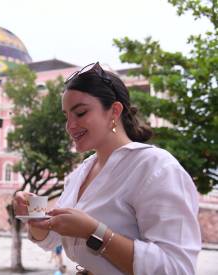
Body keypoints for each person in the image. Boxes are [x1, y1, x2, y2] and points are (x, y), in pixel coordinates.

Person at [14, 62, 201, 275]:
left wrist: (94, 232)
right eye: (67, 116)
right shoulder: (81, 172)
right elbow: (52, 240)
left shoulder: (155, 167)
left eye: (81, 113)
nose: (70, 125)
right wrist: (36, 220)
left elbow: (178, 268)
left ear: (114, 111)